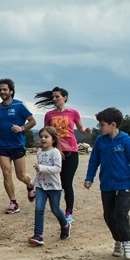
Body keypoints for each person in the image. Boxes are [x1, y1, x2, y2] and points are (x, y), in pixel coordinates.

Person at [84, 107, 130, 260]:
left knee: (121, 214)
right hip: (107, 186)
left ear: (113, 124)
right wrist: (89, 177)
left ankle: (127, 242)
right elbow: (94, 160)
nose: (99, 127)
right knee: (109, 216)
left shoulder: (125, 140)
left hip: (124, 185)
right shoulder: (100, 140)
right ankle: (118, 240)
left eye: (102, 124)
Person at [35, 87, 91, 223]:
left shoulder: (73, 113)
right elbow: (45, 133)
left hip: (71, 150)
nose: (54, 99)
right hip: (55, 151)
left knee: (66, 182)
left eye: (57, 97)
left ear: (65, 97)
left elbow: (81, 128)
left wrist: (86, 131)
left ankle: (68, 211)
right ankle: (56, 208)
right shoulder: (49, 115)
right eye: (53, 97)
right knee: (55, 180)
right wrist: (43, 147)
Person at [0, 78, 37, 214]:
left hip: (17, 144)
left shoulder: (20, 105)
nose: (2, 92)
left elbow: (33, 121)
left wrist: (22, 128)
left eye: (4, 89)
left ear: (11, 91)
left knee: (20, 175)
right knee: (6, 173)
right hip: (3, 145)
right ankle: (13, 202)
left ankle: (31, 185)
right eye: (0, 90)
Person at [27, 127, 71, 246]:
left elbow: (57, 169)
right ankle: (38, 235)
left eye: (46, 137)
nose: (43, 139)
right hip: (41, 187)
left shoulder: (55, 152)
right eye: (41, 136)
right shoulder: (39, 153)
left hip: (54, 187)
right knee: (39, 209)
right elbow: (39, 173)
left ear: (53, 139)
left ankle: (65, 225)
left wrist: (42, 168)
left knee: (55, 209)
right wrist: (33, 182)